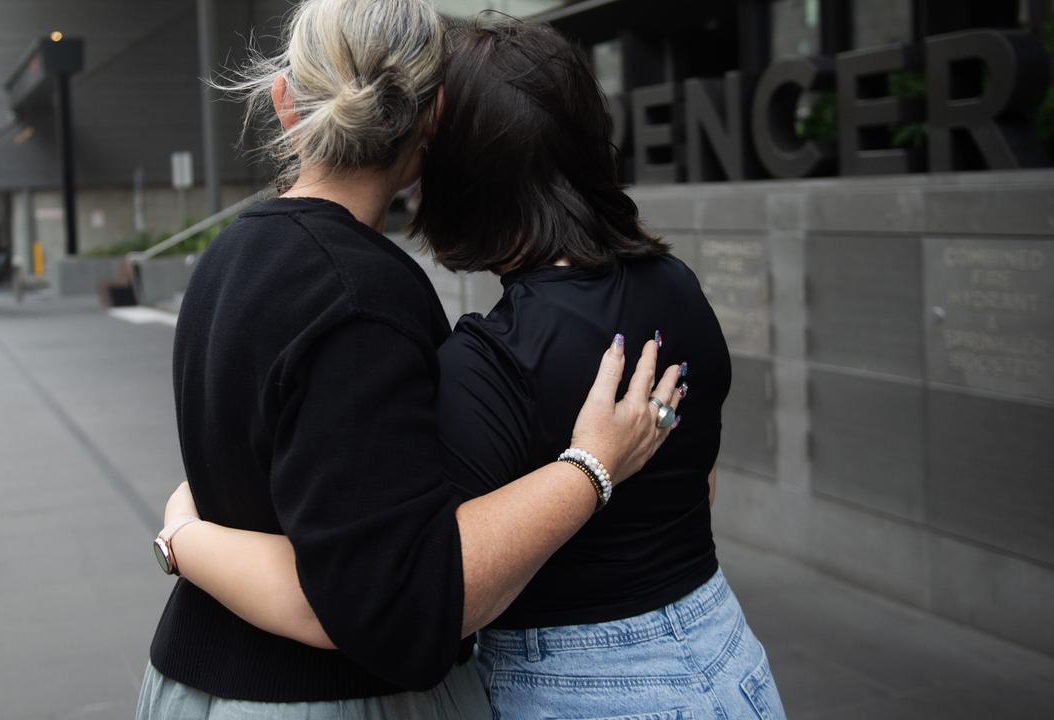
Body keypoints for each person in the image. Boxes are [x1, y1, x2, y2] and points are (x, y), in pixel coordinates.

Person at [156, 16, 787, 720]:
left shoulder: (486, 359)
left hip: (578, 688)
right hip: (727, 659)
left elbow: (406, 594)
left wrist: (187, 538)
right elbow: (695, 488)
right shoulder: (676, 286)